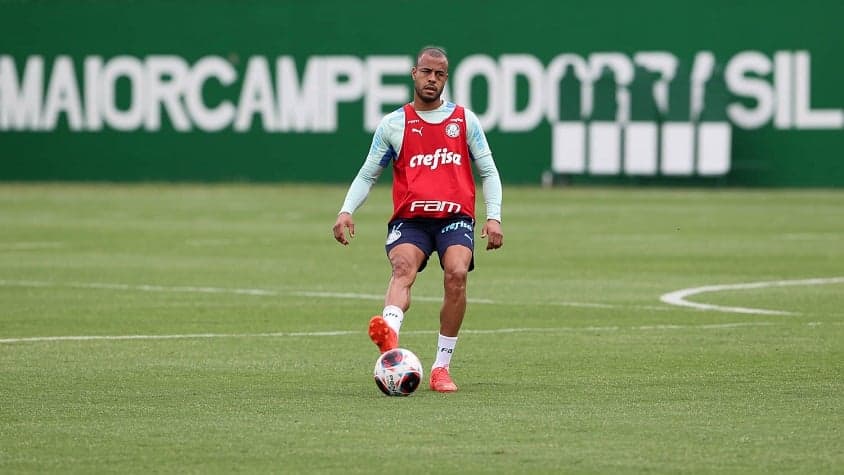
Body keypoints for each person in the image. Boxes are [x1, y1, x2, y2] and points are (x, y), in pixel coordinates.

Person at [332, 46, 503, 393]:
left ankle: (441, 368)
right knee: (402, 270)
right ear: (414, 73)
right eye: (427, 72)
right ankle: (390, 336)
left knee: (456, 274)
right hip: (411, 220)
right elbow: (368, 174)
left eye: (439, 74)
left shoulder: (464, 121)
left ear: (446, 79)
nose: (432, 79)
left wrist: (494, 217)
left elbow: (488, 170)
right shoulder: (393, 124)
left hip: (454, 218)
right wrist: (346, 210)